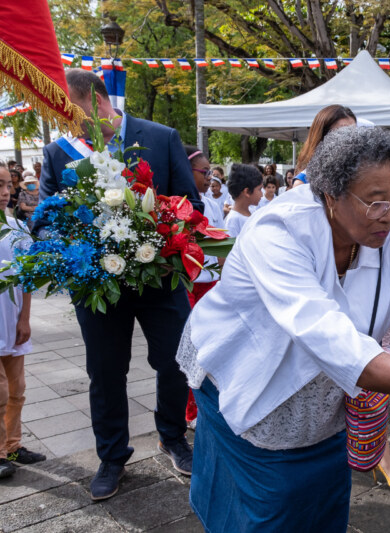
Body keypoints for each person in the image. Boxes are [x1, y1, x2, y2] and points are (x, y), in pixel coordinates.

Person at [177, 127, 390, 531]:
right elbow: (323, 331)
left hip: (325, 400)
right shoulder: (278, 230)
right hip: (248, 377)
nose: (389, 214)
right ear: (331, 193)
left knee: (324, 502)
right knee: (265, 507)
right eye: (375, 201)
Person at [38, 69, 201, 501]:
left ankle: (172, 436)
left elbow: (192, 203)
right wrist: (66, 244)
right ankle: (112, 456)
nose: (63, 122)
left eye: (67, 110)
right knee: (106, 373)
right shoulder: (59, 152)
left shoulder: (161, 137)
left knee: (175, 361)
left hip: (158, 279)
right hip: (96, 286)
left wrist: (158, 228)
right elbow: (46, 219)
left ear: (96, 101)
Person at [0, 166, 45, 480]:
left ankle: (13, 444)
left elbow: (27, 277)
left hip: (12, 320)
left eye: (6, 185)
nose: (5, 191)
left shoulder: (17, 227)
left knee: (18, 388)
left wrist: (25, 317)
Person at [183, 146, 225, 430]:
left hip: (211, 284)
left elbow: (222, 242)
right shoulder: (176, 203)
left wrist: (225, 279)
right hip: (187, 285)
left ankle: (209, 405)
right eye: (205, 172)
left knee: (213, 347)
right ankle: (189, 411)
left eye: (211, 172)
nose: (210, 178)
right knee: (191, 349)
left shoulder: (210, 204)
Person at [293, 105, 357, 186]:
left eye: (354, 132)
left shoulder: (362, 173)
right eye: (341, 133)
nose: (350, 139)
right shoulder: (304, 183)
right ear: (322, 137)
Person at [223, 164, 263, 238]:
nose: (262, 194)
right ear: (247, 192)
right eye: (259, 189)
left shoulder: (252, 212)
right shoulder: (233, 221)